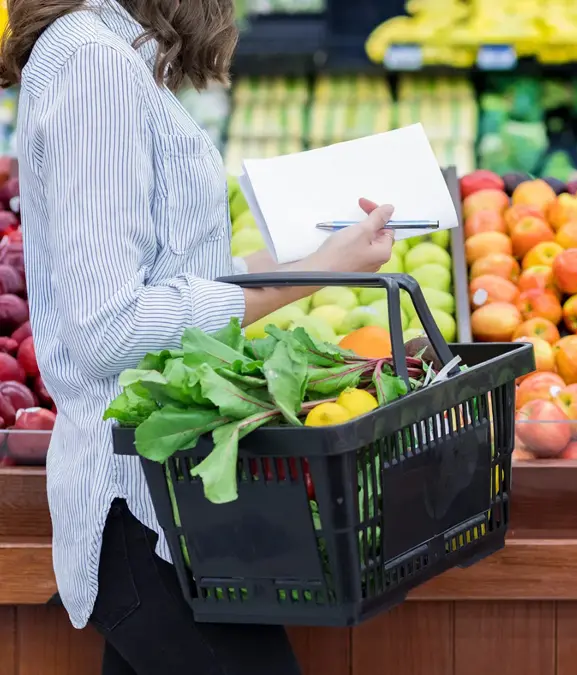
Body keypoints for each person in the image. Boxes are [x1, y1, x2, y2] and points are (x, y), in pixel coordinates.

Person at [0, 1, 396, 672]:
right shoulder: (93, 64)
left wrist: (327, 256)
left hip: (176, 502)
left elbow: (176, 279)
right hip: (138, 505)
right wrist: (303, 280)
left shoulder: (109, 54)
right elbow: (107, 327)